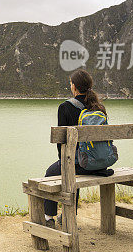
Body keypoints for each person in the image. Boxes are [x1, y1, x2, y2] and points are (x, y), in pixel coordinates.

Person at [44, 68, 112, 228]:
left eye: (70, 83)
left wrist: (64, 161)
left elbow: (61, 143)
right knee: (74, 168)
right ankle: (69, 214)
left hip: (77, 165)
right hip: (101, 165)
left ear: (74, 86)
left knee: (51, 173)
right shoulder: (99, 108)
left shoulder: (65, 107)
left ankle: (49, 217)